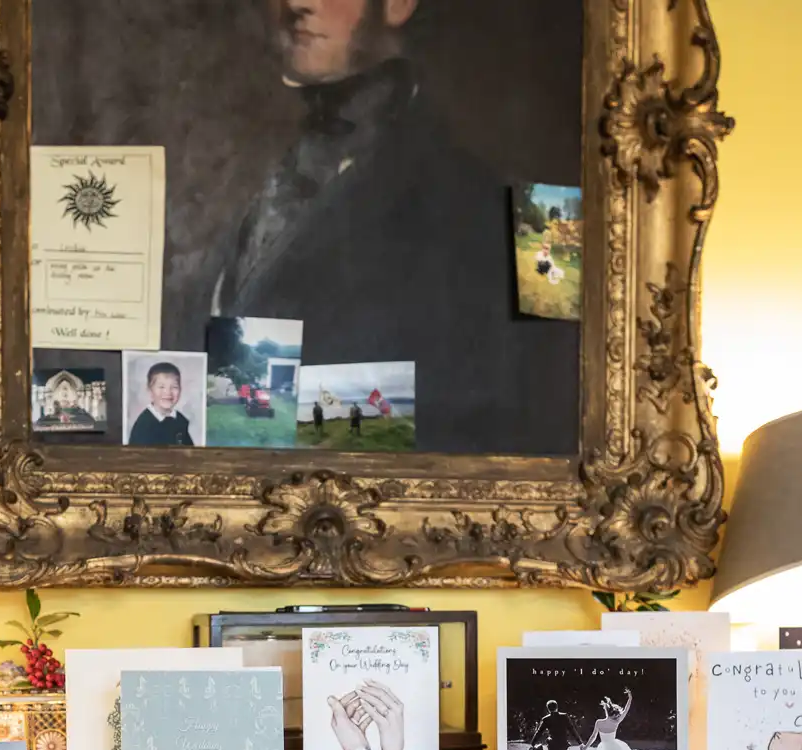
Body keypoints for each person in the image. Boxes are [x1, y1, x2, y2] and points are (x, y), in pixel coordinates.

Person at [200, 0, 567, 453]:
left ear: (398, 4)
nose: (296, 4)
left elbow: (531, 416)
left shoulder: (542, 214)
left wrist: (256, 419)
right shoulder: (239, 161)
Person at [127, 362, 197, 446]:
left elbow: (191, 452)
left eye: (174, 387)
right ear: (150, 390)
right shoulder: (144, 426)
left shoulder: (180, 421)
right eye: (161, 387)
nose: (168, 392)